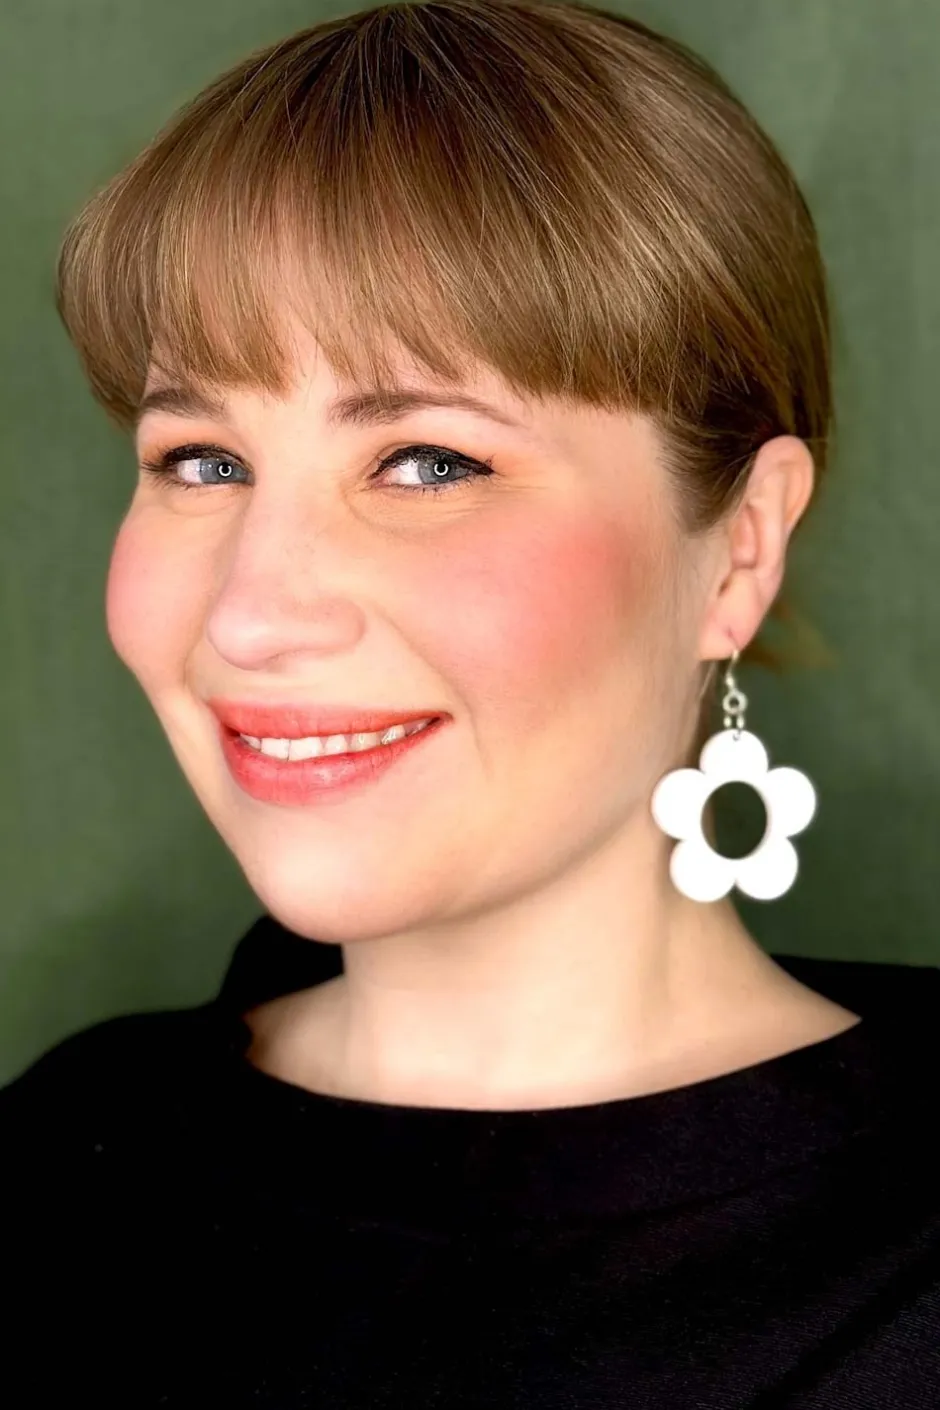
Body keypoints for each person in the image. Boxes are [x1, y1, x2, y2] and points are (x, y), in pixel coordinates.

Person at [3, 0, 938, 1404]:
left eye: (428, 462)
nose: (250, 614)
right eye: (201, 460)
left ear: (740, 547)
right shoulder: (59, 1160)